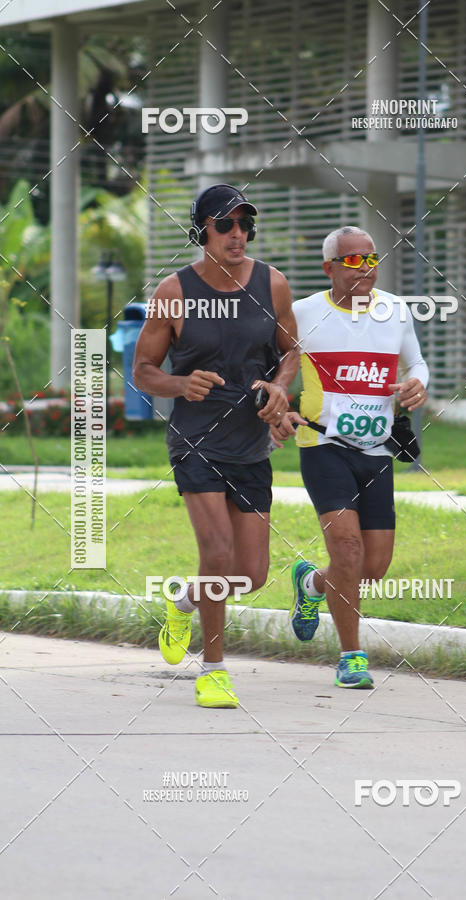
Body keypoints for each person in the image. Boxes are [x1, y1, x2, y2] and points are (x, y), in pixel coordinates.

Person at [133, 183, 301, 708]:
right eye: (225, 224)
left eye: (245, 224)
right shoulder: (174, 291)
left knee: (250, 575)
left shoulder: (272, 284)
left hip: (250, 445)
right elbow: (143, 371)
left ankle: (183, 601)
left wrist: (281, 388)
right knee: (218, 553)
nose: (237, 234)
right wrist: (180, 384)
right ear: (201, 231)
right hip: (196, 442)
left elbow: (291, 351)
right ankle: (213, 670)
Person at [271, 226, 429, 689]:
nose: (365, 268)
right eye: (353, 260)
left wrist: (417, 383)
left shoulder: (395, 310)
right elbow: (273, 371)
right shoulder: (303, 313)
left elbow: (416, 363)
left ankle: (310, 584)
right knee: (347, 550)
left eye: (371, 258)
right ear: (329, 268)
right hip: (323, 446)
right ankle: (351, 657)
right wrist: (277, 412)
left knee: (371, 568)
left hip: (377, 449)